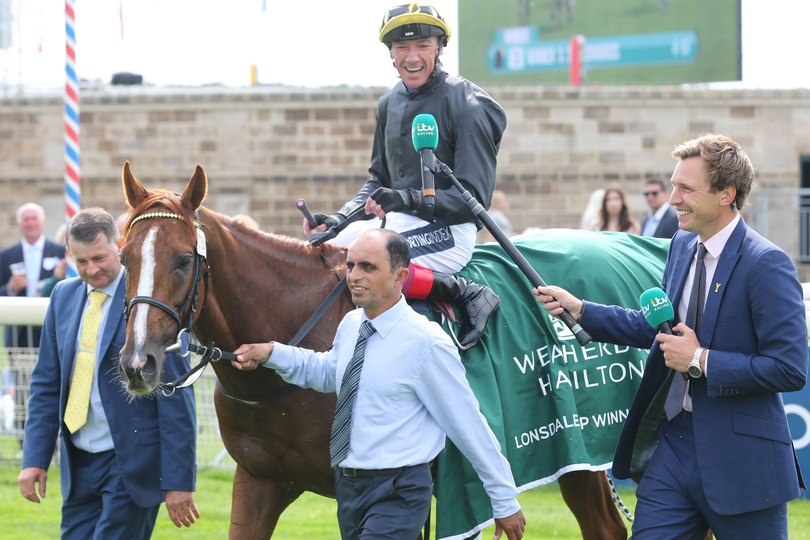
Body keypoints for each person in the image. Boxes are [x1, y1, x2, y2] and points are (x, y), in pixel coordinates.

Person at [535, 134, 806, 539]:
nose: (672, 198)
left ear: (726, 194)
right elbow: (658, 329)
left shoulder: (767, 264)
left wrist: (701, 360)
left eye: (685, 188)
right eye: (673, 184)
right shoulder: (681, 245)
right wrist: (582, 310)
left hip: (744, 462)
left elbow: (789, 369)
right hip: (674, 448)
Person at [232, 229, 526, 540]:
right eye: (351, 265)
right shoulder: (351, 325)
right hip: (348, 488)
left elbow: (468, 425)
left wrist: (504, 500)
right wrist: (272, 353)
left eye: (368, 267)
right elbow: (331, 372)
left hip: (399, 491)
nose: (354, 276)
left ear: (400, 276)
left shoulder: (426, 343)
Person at [305, 3, 506, 349]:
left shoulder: (469, 103)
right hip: (400, 221)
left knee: (368, 261)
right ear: (390, 53)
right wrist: (339, 218)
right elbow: (377, 180)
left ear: (440, 47)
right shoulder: (388, 103)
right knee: (324, 250)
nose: (411, 57)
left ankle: (467, 293)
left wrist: (406, 198)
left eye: (422, 46)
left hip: (450, 229)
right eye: (402, 47)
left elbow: (473, 203)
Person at [18, 208, 199, 538]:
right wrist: (34, 459)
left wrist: (178, 481)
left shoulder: (149, 303)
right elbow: (46, 384)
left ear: (119, 245)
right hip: (78, 463)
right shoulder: (63, 296)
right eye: (81, 262)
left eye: (99, 258)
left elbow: (176, 396)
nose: (92, 269)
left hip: (131, 465)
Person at [0, 203, 65, 449]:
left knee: (54, 384)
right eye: (26, 219)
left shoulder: (59, 251)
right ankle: (25, 445)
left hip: (52, 331)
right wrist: (10, 289)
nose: (30, 223)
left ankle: (56, 443)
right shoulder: (6, 255)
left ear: (43, 221)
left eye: (34, 219)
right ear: (20, 223)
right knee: (22, 387)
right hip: (18, 335)